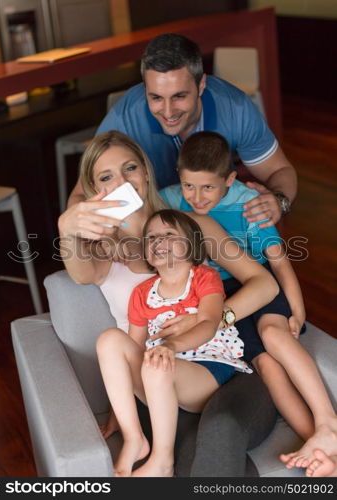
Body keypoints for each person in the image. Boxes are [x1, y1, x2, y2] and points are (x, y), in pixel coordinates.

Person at [58, 130, 279, 476]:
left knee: (221, 433)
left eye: (130, 168)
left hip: (224, 370)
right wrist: (67, 227)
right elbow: (80, 274)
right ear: (93, 191)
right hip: (157, 386)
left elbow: (264, 283)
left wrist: (212, 320)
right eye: (106, 177)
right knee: (204, 463)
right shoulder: (100, 254)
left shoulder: (193, 228)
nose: (122, 181)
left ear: (146, 172)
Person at [160, 130, 337, 473]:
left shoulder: (247, 203)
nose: (196, 198)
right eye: (188, 186)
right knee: (266, 365)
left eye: (208, 187)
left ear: (230, 178)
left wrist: (298, 309)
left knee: (274, 335)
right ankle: (320, 446)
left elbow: (279, 261)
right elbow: (135, 208)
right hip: (221, 296)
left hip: (259, 280)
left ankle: (328, 420)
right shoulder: (169, 198)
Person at [68, 33, 297, 228]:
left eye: (179, 96)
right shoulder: (124, 117)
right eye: (156, 97)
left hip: (220, 226)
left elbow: (280, 170)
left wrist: (279, 200)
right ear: (144, 89)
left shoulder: (235, 108)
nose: (168, 112)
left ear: (201, 85)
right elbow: (80, 194)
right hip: (155, 231)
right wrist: (80, 224)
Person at [97, 209, 253, 477]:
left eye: (169, 234)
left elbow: (208, 322)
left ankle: (162, 462)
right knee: (110, 340)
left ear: (191, 244)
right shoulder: (142, 293)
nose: (159, 241)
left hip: (206, 370)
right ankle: (135, 439)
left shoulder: (204, 277)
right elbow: (131, 348)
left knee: (157, 363)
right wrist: (116, 412)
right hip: (159, 378)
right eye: (152, 237)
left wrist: (171, 346)